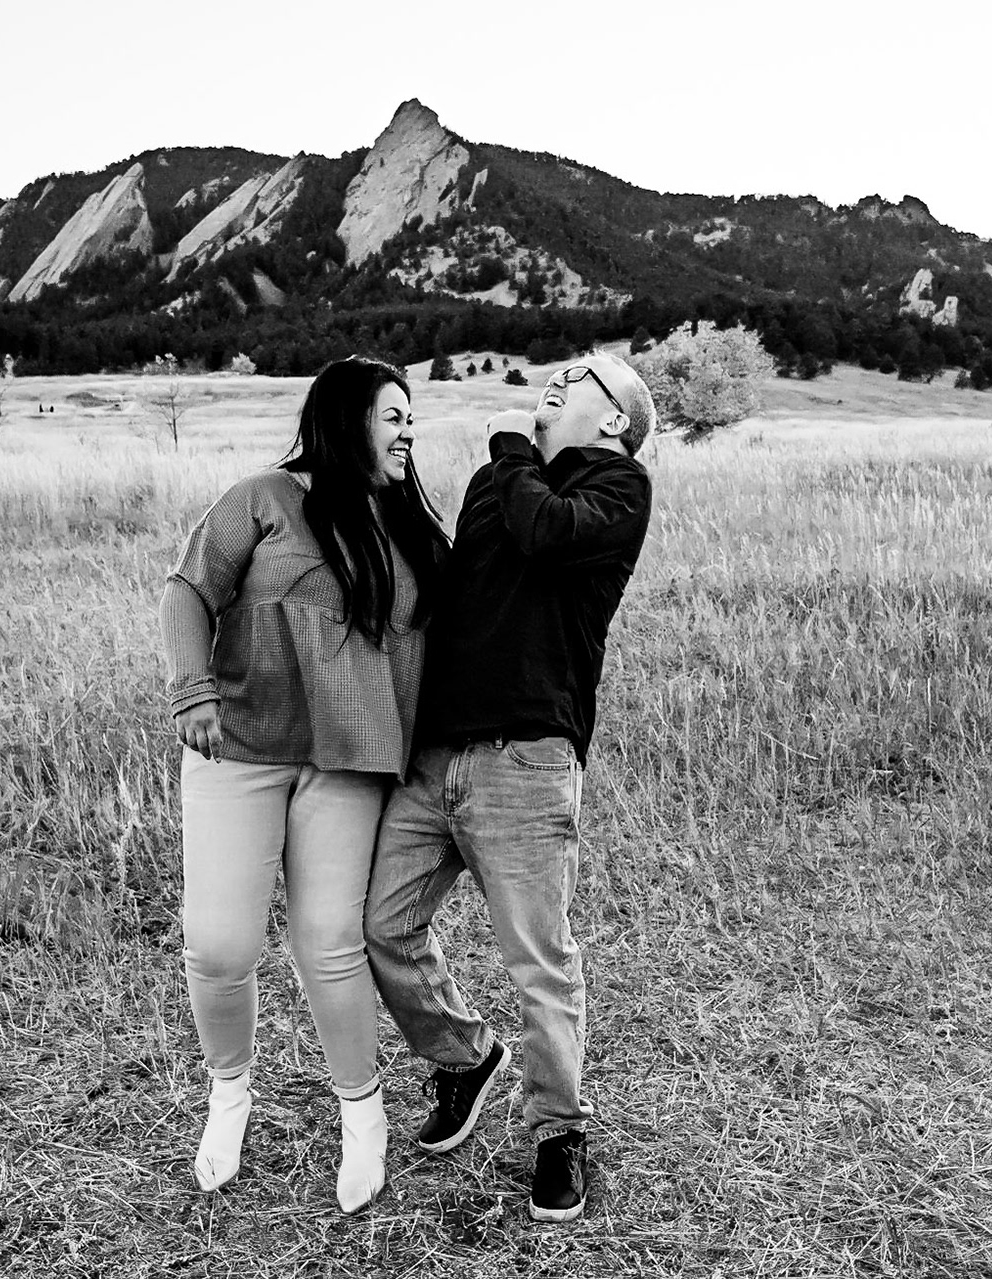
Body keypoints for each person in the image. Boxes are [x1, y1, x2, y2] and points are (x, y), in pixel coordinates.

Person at [365, 353, 656, 1222]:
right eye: (557, 373)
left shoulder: (618, 488)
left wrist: (510, 450)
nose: (558, 381)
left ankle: (559, 1133)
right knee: (382, 923)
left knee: (539, 959)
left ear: (616, 419)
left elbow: (543, 532)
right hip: (437, 755)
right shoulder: (501, 478)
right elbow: (459, 585)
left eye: (583, 379)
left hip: (525, 760)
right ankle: (464, 1056)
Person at [160, 355, 450, 1212]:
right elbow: (187, 591)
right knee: (219, 944)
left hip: (347, 760)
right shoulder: (262, 497)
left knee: (329, 941)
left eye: (412, 417)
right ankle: (229, 1095)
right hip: (241, 746)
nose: (409, 431)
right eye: (394, 415)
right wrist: (192, 689)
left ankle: (363, 1115)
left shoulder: (412, 526)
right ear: (346, 417)